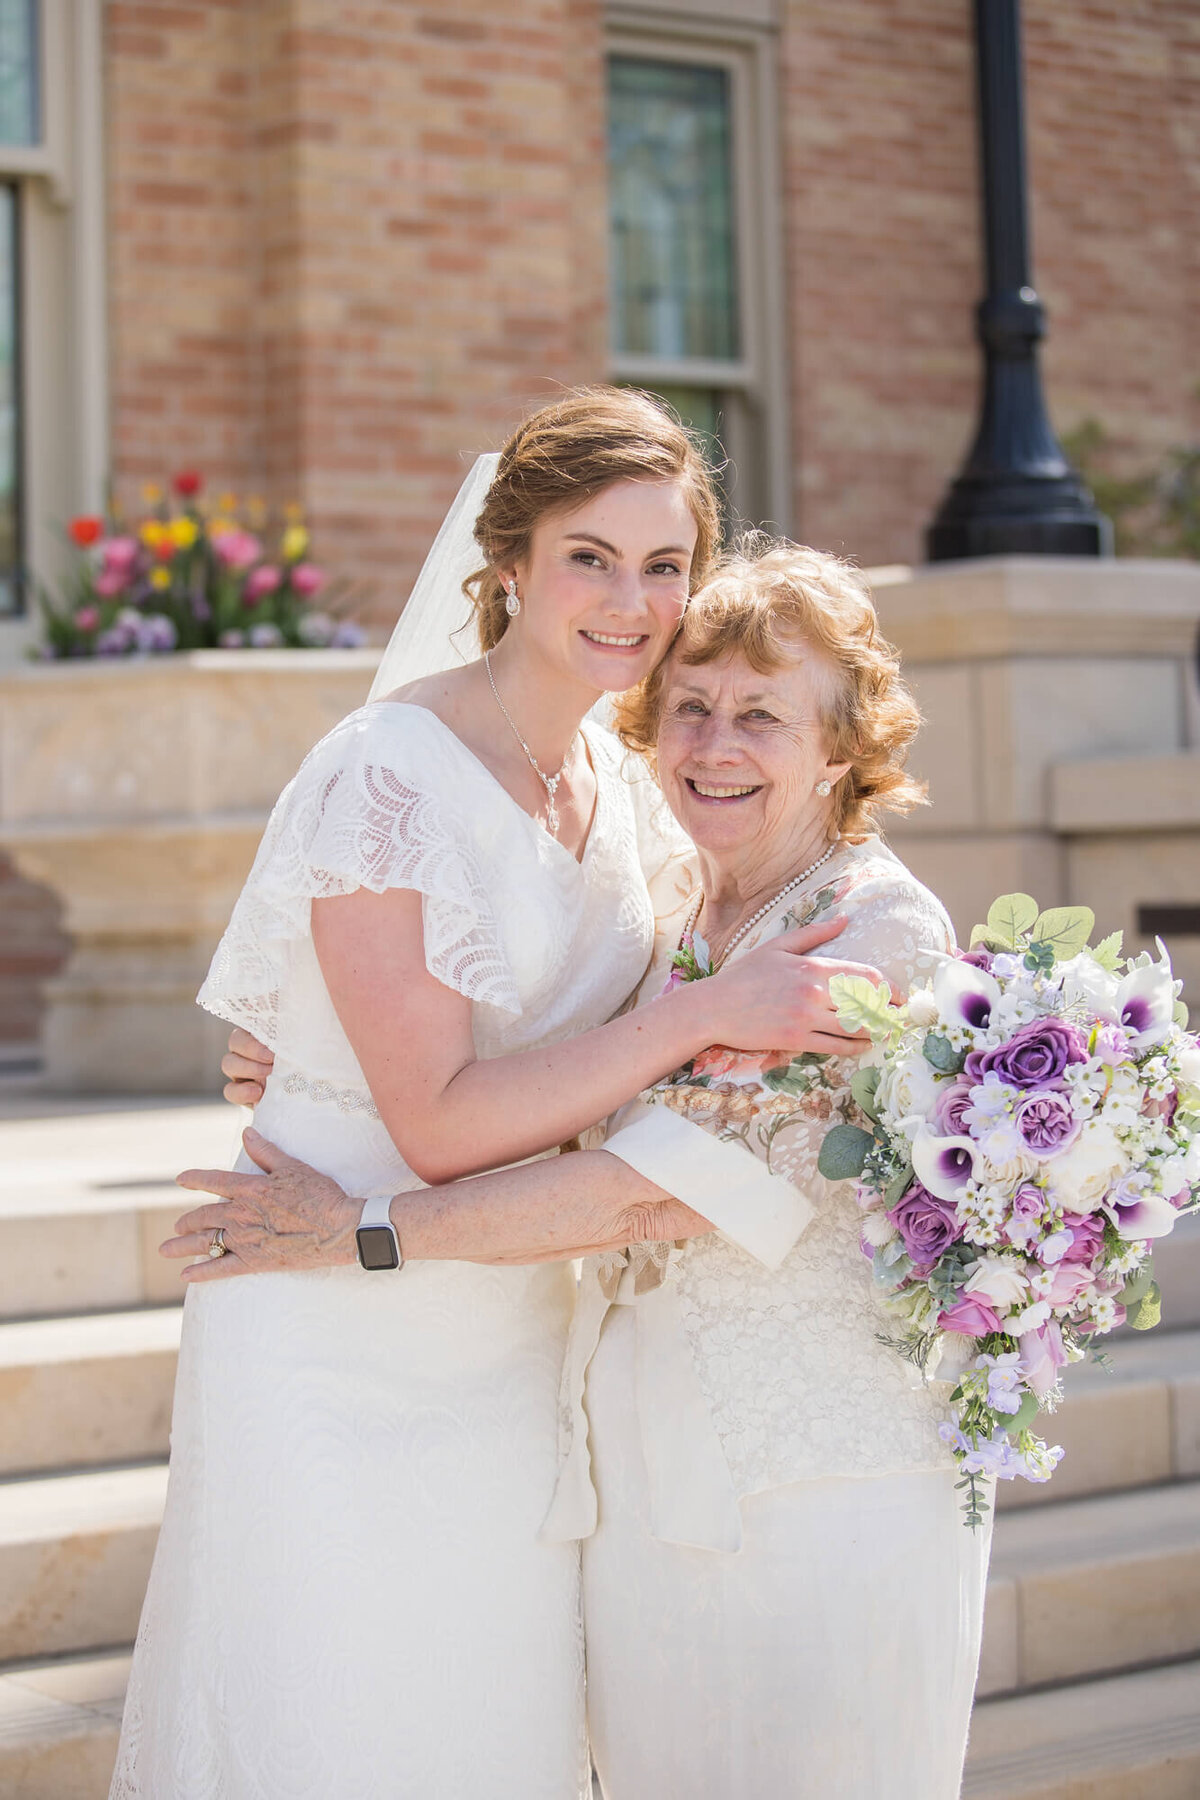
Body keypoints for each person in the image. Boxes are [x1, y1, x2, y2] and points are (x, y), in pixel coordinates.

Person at [110, 391, 873, 1800]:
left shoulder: (624, 784)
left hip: (517, 1326)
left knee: (481, 1726)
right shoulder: (385, 774)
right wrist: (707, 1016)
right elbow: (442, 1122)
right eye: (591, 557)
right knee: (333, 1720)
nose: (634, 602)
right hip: (330, 1304)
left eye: (665, 565)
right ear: (506, 562)